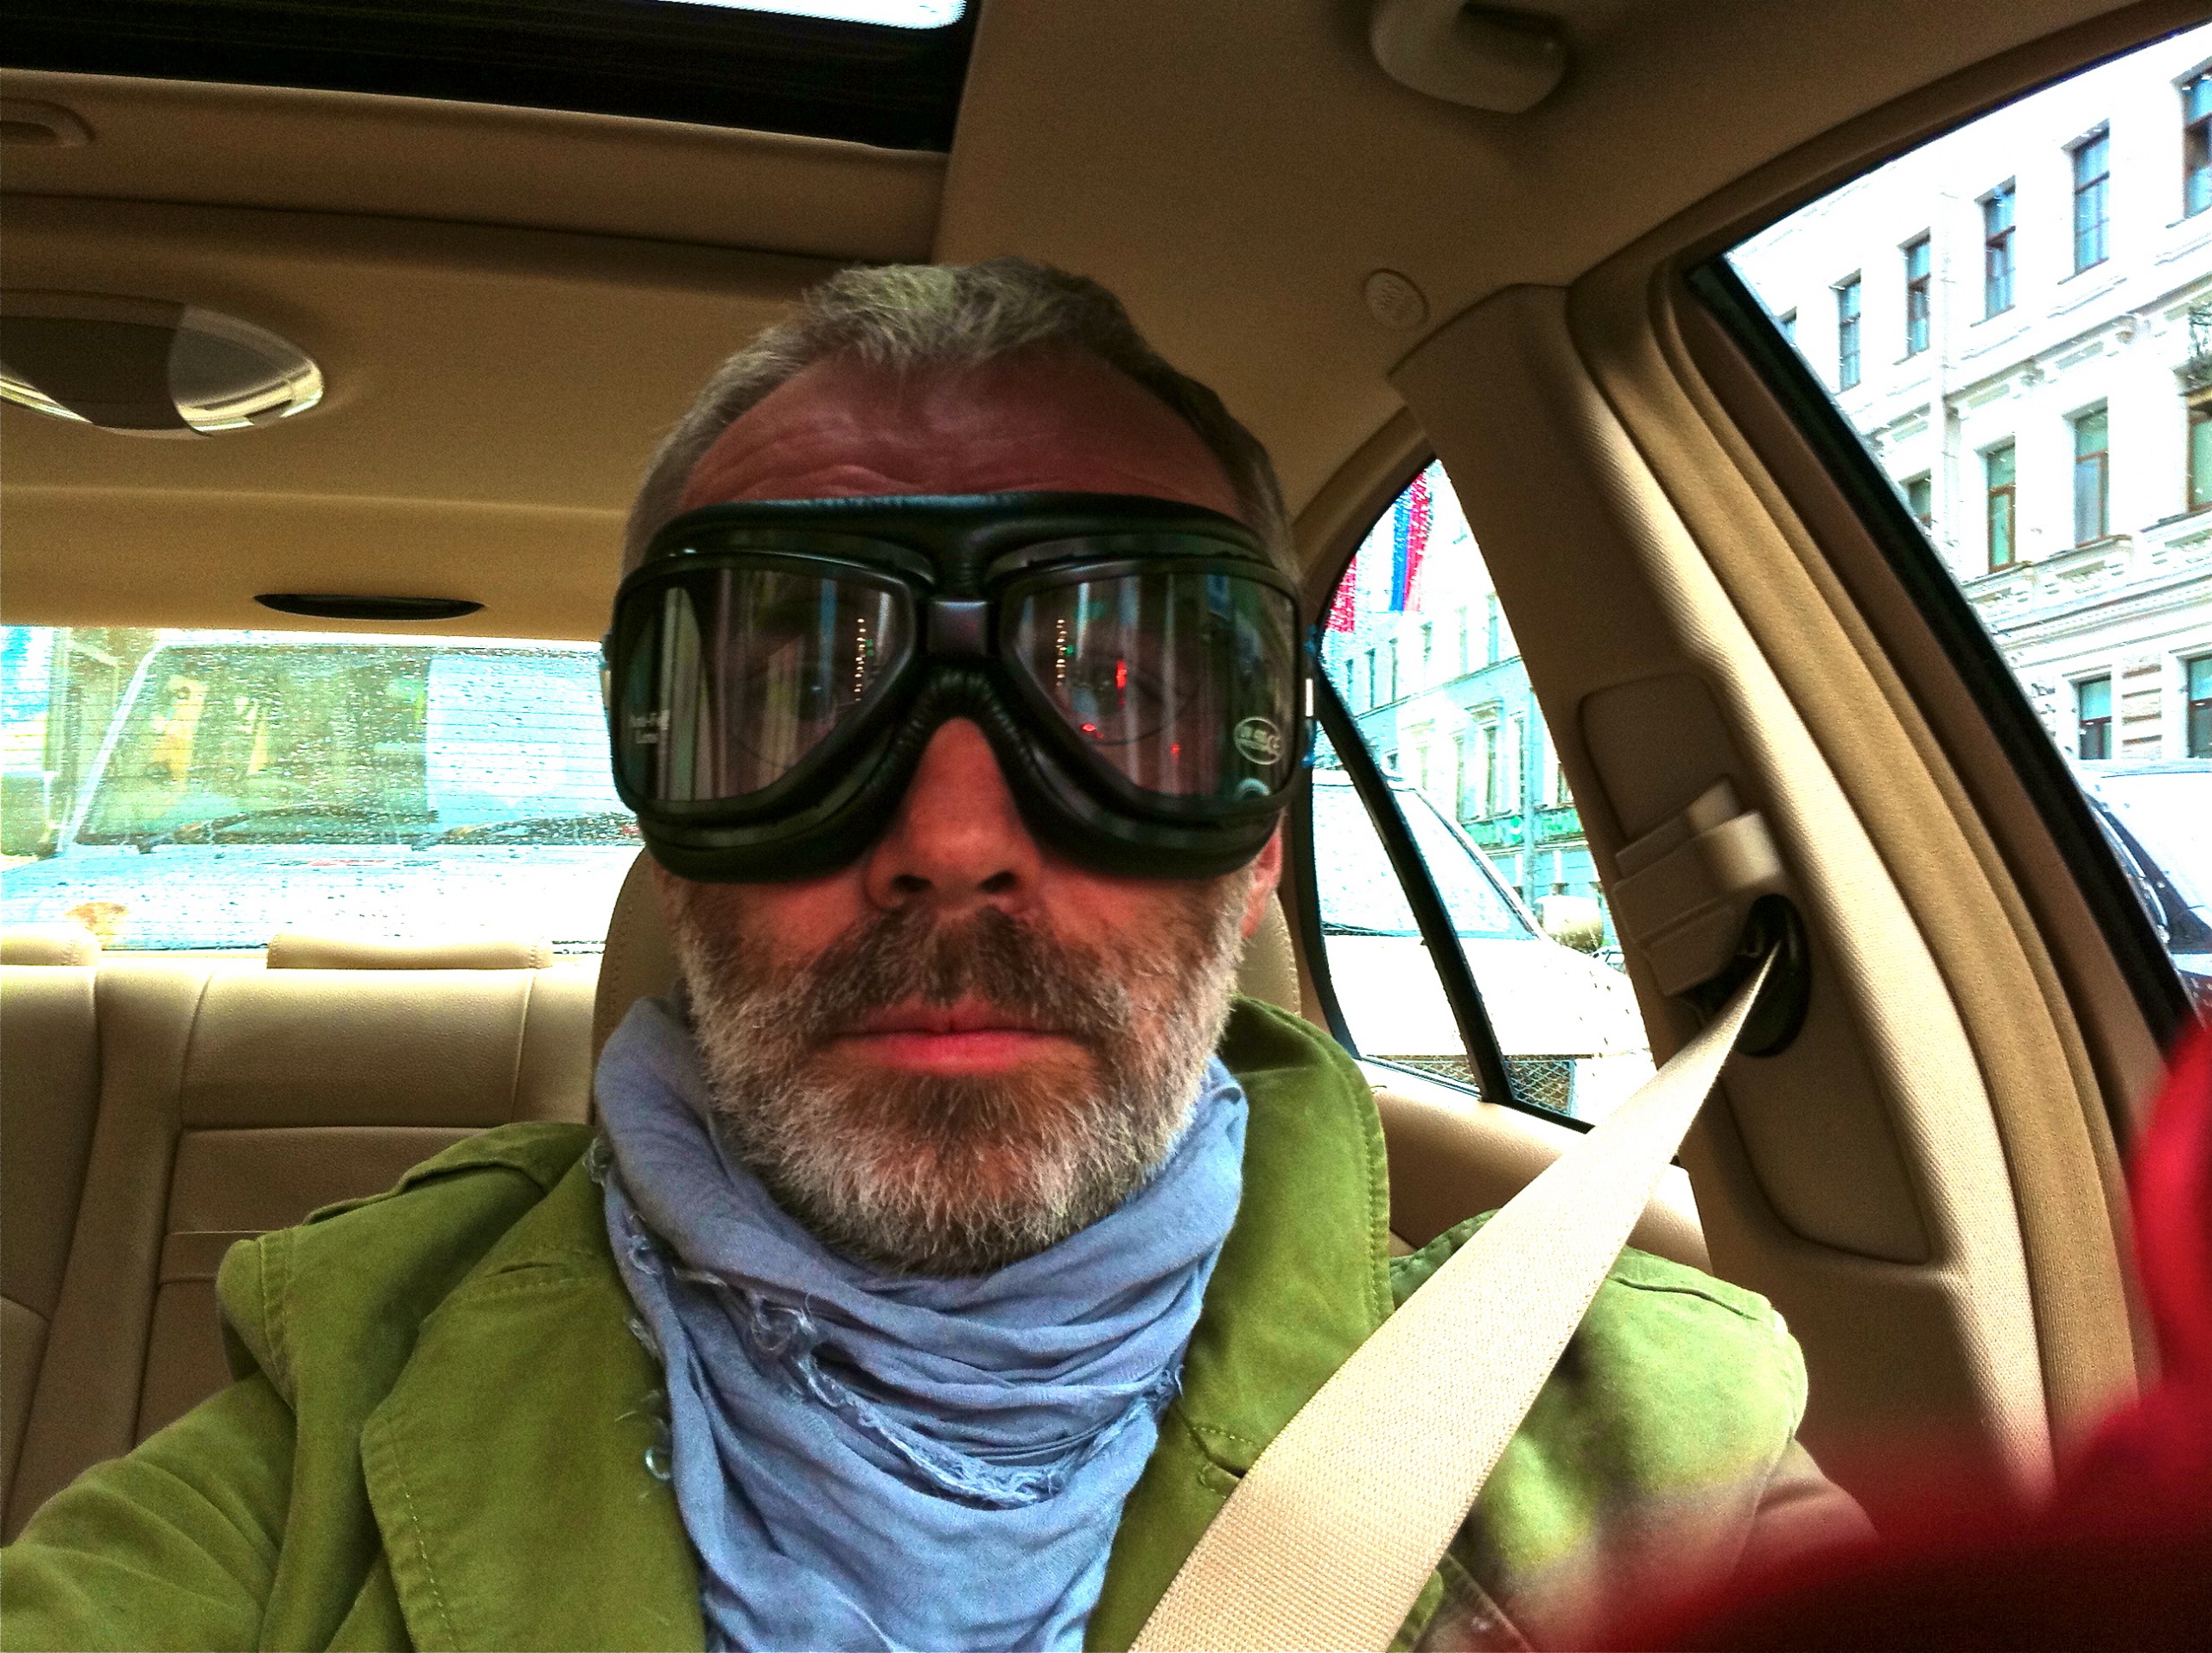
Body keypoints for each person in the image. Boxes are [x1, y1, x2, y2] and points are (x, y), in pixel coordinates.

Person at [0, 257, 1865, 1652]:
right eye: (800, 699)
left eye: (1114, 695)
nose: (956, 837)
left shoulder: (1630, 1456)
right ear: (674, 824)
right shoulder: (324, 1429)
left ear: (1259, 830)